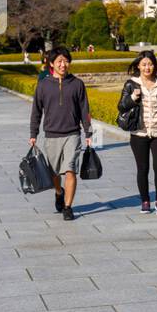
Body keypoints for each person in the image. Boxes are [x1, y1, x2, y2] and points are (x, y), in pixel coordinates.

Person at [28, 47, 93, 221]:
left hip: (72, 134)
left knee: (70, 170)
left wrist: (88, 132)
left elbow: (84, 109)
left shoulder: (77, 84)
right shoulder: (43, 85)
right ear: (51, 64)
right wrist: (33, 133)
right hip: (51, 135)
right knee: (54, 174)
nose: (63, 65)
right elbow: (36, 111)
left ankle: (67, 207)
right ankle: (59, 192)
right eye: (59, 62)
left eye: (66, 61)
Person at [117, 51, 157, 214]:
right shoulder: (132, 83)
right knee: (142, 169)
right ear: (138, 65)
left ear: (154, 65)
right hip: (139, 133)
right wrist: (133, 98)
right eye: (144, 64)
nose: (147, 67)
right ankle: (145, 201)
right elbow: (121, 106)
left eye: (150, 64)